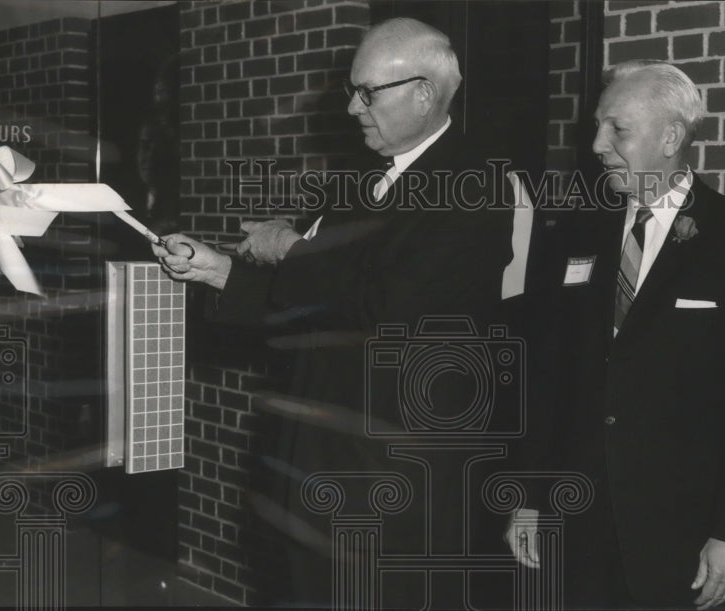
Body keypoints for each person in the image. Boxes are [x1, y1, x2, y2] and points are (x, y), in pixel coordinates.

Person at [154, 18, 513, 608]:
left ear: (424, 94)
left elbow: (391, 306)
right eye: (353, 90)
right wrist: (217, 269)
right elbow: (309, 304)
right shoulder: (351, 182)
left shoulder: (476, 187)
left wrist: (292, 250)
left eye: (368, 91)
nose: (352, 107)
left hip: (393, 483)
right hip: (311, 470)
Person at [506, 60, 725, 609]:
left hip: (684, 536)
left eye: (617, 129)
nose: (597, 144)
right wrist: (526, 498)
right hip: (575, 524)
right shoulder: (574, 233)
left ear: (671, 137)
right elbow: (545, 377)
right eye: (597, 126)